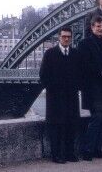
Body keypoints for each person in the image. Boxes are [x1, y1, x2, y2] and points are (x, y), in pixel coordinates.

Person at [39, 27, 81, 164]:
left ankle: (70, 153)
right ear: (59, 37)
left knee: (71, 125)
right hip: (55, 97)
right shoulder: (50, 54)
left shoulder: (75, 54)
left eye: (69, 36)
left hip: (71, 96)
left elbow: (81, 75)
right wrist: (53, 89)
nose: (66, 39)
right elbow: (43, 76)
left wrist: (76, 87)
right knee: (56, 127)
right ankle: (56, 155)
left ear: (71, 38)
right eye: (64, 36)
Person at [78, 15, 102, 161]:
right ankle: (87, 149)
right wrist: (101, 71)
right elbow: (84, 65)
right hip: (93, 87)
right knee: (97, 117)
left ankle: (97, 149)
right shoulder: (84, 44)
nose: (100, 29)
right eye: (98, 26)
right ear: (92, 27)